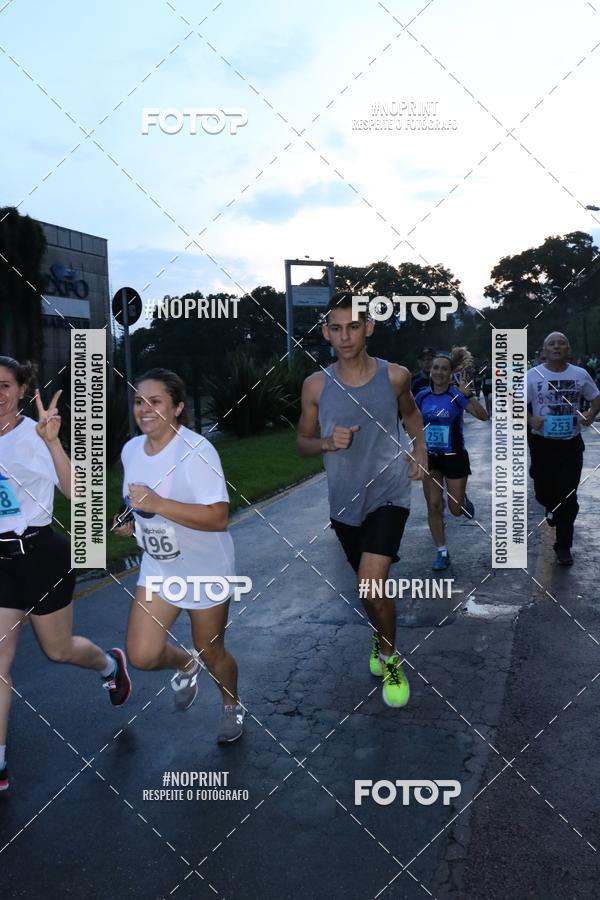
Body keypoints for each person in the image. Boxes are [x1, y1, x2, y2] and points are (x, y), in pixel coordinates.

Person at [0, 357, 131, 793]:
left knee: (57, 650)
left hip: (40, 555)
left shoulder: (34, 435)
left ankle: (110, 664)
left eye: (5, 385)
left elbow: (78, 493)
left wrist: (54, 442)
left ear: (22, 390)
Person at [297, 293, 427, 708]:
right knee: (368, 590)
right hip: (344, 502)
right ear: (325, 333)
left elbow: (411, 414)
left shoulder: (395, 376)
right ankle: (380, 634)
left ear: (368, 327)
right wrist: (325, 442)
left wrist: (420, 449)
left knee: (371, 583)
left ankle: (390, 658)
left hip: (390, 491)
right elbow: (301, 443)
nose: (345, 336)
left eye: (353, 326)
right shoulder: (316, 385)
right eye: (336, 328)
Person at [113, 368, 244, 742]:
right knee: (142, 655)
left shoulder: (197, 451)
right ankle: (186, 663)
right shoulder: (131, 450)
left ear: (178, 407)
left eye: (155, 401)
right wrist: (128, 521)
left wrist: (158, 503)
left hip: (205, 569)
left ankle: (232, 705)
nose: (144, 409)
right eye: (139, 401)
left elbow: (218, 517)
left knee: (212, 651)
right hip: (160, 566)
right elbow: (136, 505)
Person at [527, 332, 600, 565]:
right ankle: (550, 506)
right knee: (543, 491)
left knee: (568, 495)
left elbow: (596, 397)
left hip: (571, 444)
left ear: (568, 350)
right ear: (544, 351)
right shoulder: (533, 375)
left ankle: (563, 547)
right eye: (552, 344)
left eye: (562, 343)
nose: (557, 346)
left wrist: (590, 414)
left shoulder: (580, 374)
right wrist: (530, 419)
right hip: (542, 444)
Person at [414, 348, 489, 571]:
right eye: (435, 368)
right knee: (434, 505)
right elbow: (411, 422)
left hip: (455, 457)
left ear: (450, 373)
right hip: (431, 458)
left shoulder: (457, 395)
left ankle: (462, 500)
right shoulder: (421, 396)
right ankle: (442, 552)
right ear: (430, 371)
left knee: (456, 510)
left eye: (444, 369)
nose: (439, 372)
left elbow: (483, 416)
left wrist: (468, 395)